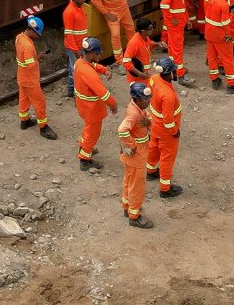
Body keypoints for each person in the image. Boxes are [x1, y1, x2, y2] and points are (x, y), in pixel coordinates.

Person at [73, 36, 117, 171]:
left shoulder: (80, 63)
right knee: (93, 134)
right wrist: (113, 103)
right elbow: (102, 92)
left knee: (88, 128)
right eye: (98, 54)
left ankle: (83, 145)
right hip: (92, 109)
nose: (99, 56)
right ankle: (85, 159)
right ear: (91, 53)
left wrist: (104, 70)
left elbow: (93, 65)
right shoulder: (89, 73)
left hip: (84, 106)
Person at [118, 81, 155, 228]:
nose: (149, 101)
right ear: (138, 99)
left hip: (132, 156)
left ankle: (128, 207)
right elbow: (122, 130)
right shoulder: (134, 113)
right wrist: (132, 145)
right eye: (146, 99)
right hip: (137, 155)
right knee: (137, 186)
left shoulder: (135, 106)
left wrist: (148, 121)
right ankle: (134, 216)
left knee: (129, 181)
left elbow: (146, 116)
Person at [14, 15, 56, 139]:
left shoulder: (19, 37)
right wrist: (37, 60)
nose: (38, 36)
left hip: (22, 77)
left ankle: (24, 120)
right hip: (30, 80)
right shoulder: (28, 46)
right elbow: (30, 64)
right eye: (38, 33)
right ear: (32, 31)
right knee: (40, 102)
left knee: (24, 98)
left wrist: (37, 56)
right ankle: (43, 127)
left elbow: (23, 59)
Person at [148, 57, 183, 197]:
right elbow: (168, 120)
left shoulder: (154, 79)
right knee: (167, 157)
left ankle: (150, 171)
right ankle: (165, 189)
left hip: (155, 125)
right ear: (169, 73)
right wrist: (174, 132)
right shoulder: (168, 96)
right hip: (166, 131)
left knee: (154, 147)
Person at [202, 0, 234, 93]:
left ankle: (214, 79)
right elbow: (226, 23)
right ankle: (231, 85)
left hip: (209, 33)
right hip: (221, 36)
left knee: (212, 57)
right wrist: (232, 14)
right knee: (227, 60)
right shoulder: (223, 4)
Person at [159, 0, 190, 79]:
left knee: (173, 48)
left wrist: (186, 19)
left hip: (178, 22)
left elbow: (182, 5)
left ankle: (174, 69)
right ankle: (180, 73)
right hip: (175, 24)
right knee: (177, 48)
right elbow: (164, 5)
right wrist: (171, 19)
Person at [60, 0, 91, 98]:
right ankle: (73, 91)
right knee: (75, 69)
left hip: (81, 45)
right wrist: (76, 50)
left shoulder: (80, 8)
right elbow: (69, 34)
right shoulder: (69, 12)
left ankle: (74, 89)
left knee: (76, 67)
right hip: (74, 47)